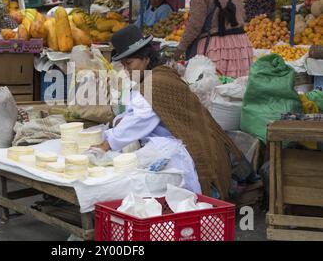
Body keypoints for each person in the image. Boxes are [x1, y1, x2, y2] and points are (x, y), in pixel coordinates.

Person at [84, 25, 251, 199]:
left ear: (146, 59)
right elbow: (135, 114)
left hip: (193, 151)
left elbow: (139, 120)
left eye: (129, 64)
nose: (127, 71)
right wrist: (120, 122)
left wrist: (105, 145)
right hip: (192, 142)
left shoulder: (155, 83)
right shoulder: (156, 77)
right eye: (124, 66)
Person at [176, 0, 253, 78]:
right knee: (236, 87)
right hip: (240, 44)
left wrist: (181, 48)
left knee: (214, 88)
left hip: (216, 47)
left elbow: (195, 25)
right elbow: (242, 15)